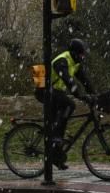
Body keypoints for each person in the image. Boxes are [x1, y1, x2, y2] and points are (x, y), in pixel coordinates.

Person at [40, 38, 94, 170]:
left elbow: (84, 80)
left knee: (59, 122)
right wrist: (79, 95)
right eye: (81, 54)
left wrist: (94, 95)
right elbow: (67, 79)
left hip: (55, 92)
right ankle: (56, 137)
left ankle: (55, 156)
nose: (82, 57)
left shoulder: (75, 63)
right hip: (45, 91)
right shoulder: (62, 60)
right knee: (70, 105)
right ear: (74, 53)